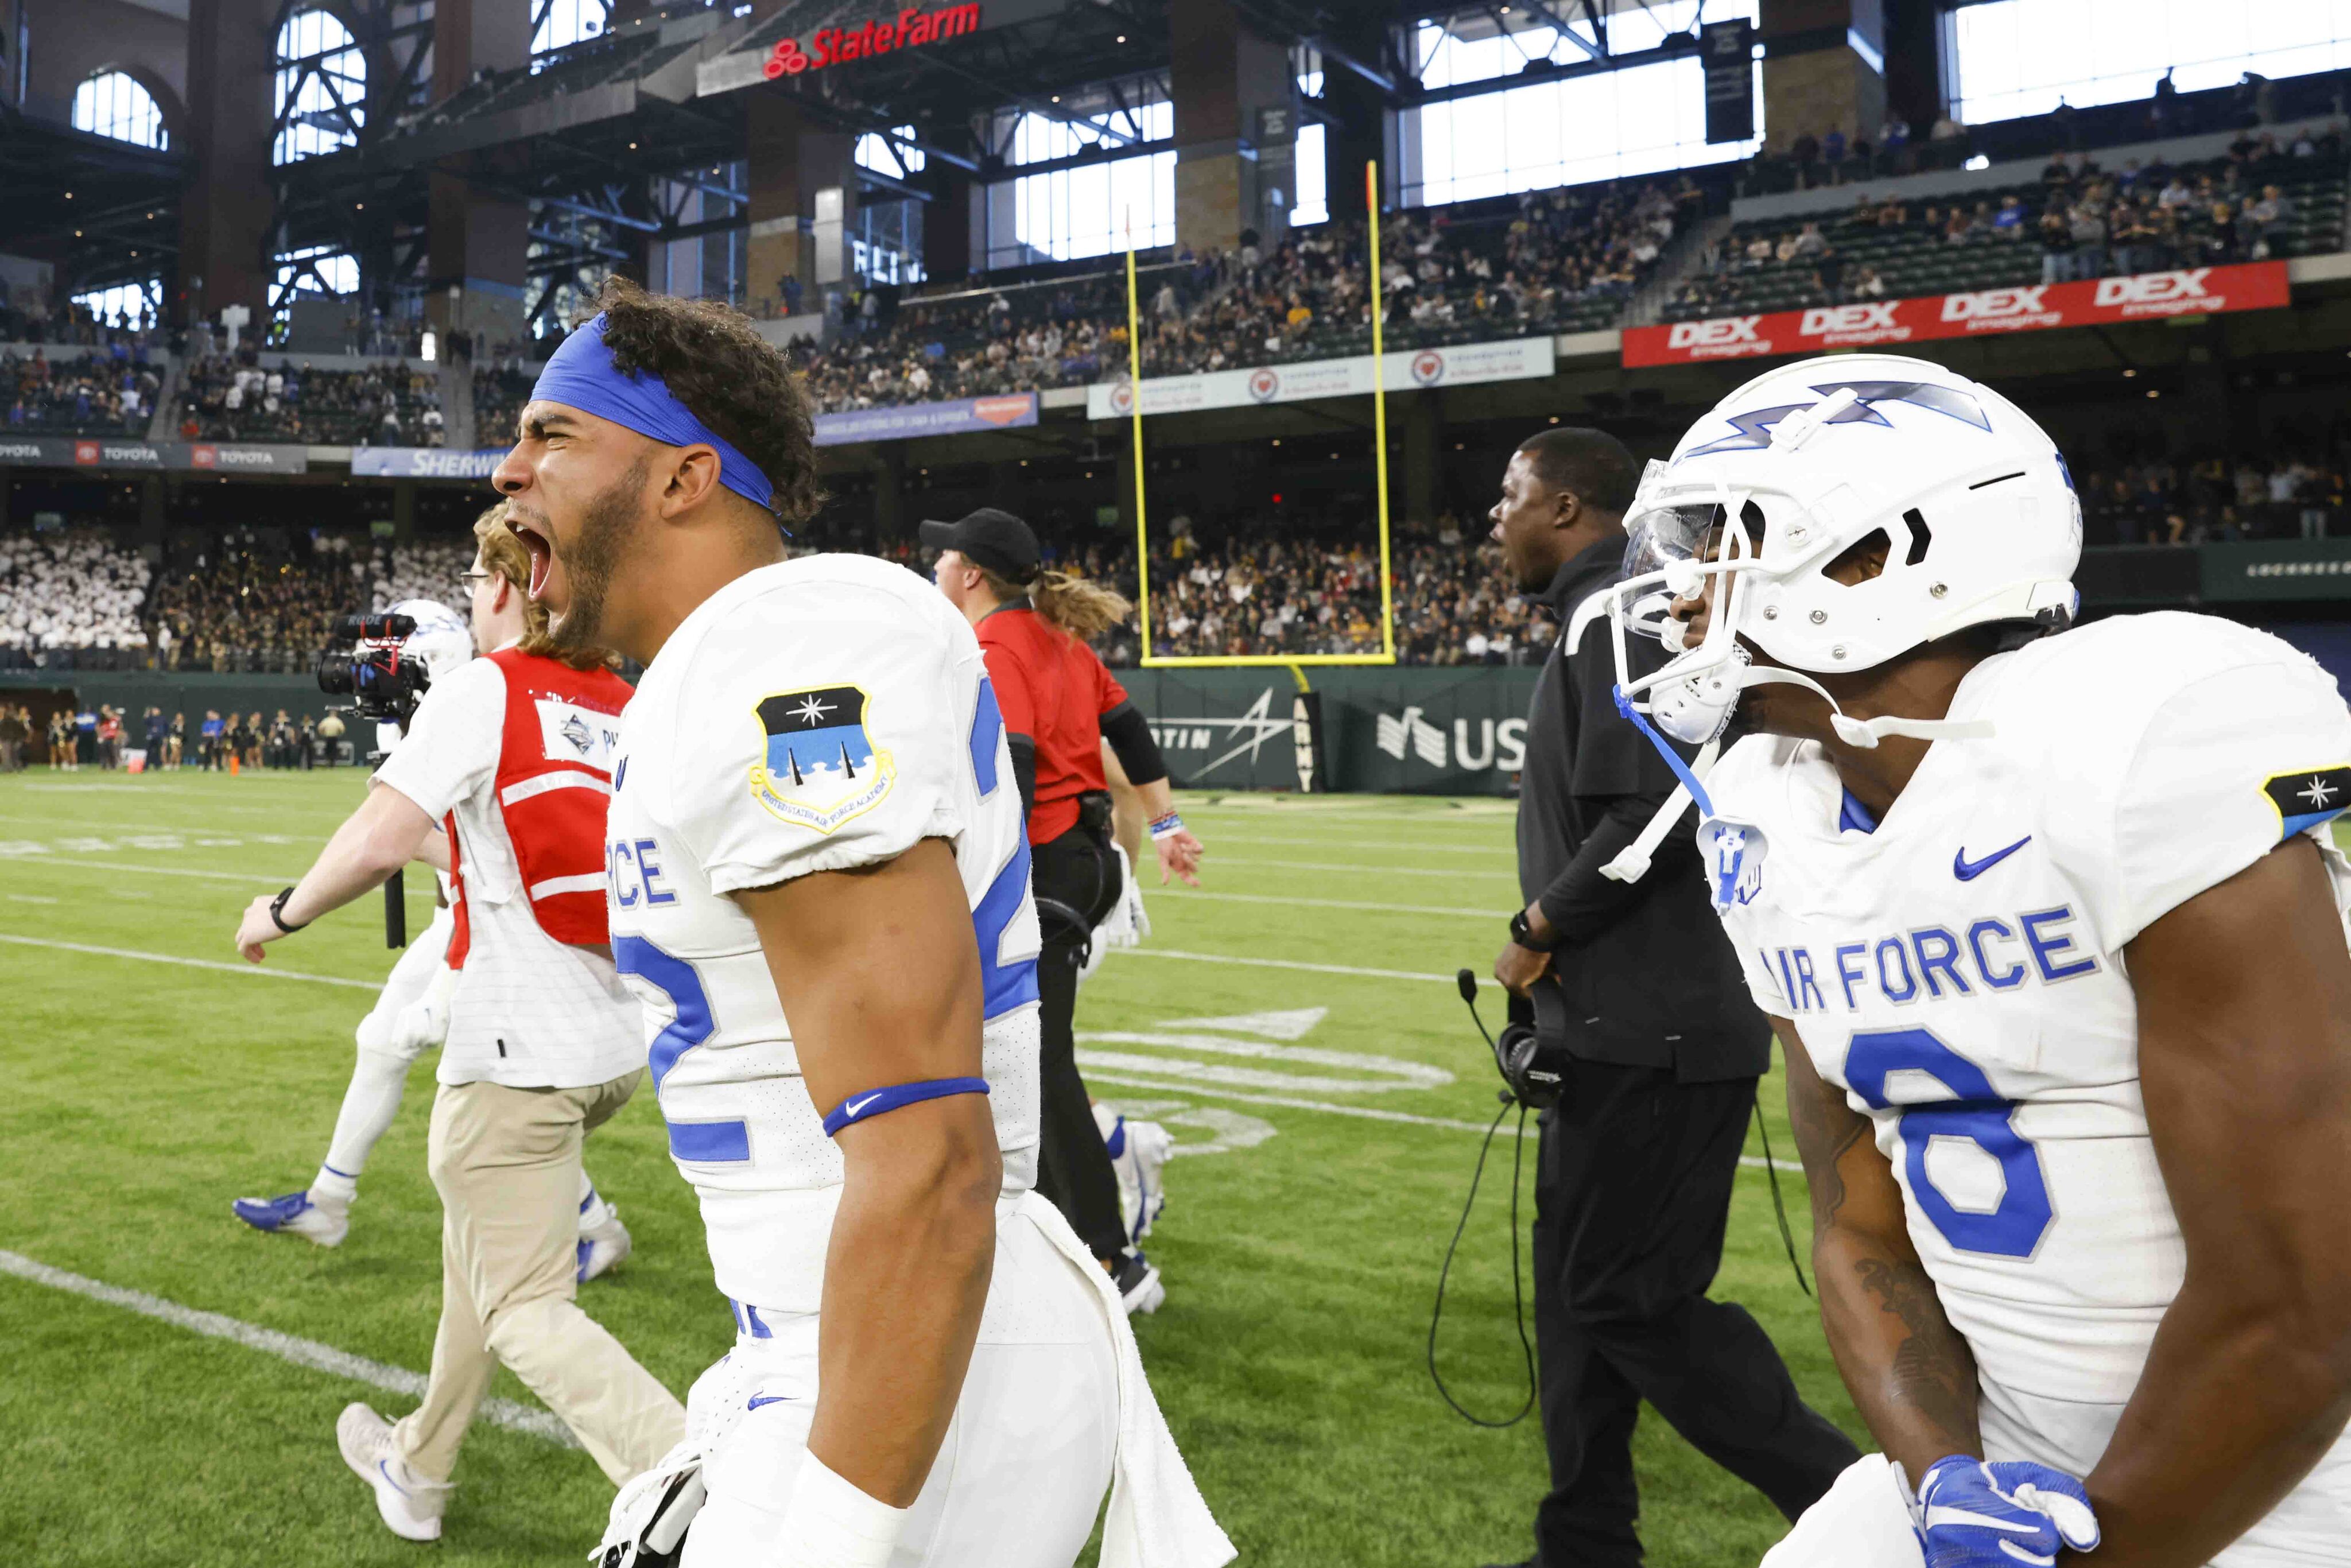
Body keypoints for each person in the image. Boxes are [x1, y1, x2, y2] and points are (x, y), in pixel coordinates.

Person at [494, 280, 1228, 1568]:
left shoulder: (783, 655)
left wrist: (832, 1537)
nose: (508, 468)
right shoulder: (741, 657)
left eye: (553, 432)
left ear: (681, 478)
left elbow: (927, 1160)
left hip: (926, 1361)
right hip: (860, 1339)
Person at [1604, 355, 2351, 1567]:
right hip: (2003, 1482)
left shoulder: (2131, 739)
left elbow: (2304, 1305)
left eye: (1722, 536)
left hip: (2282, 1500)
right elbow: (1858, 1227)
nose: (1678, 589)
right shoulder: (1760, 808)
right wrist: (1946, 1475)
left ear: (1872, 555)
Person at [231, 507, 684, 1543]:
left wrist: (284, 910)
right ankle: (418, 1467)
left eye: (479, 581)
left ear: (509, 588)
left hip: (520, 1048)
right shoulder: (624, 701)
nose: (470, 601)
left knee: (524, 1303)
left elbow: (384, 834)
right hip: (614, 1043)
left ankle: (689, 1472)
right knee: (477, 1258)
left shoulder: (491, 687)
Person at [1483, 425, 1859, 1568]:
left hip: (1649, 1029)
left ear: (1562, 507)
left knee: (1624, 1299)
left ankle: (1857, 1496)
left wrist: (1536, 926)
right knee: (1576, 1298)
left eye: (1510, 492)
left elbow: (1649, 814)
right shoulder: (1621, 613)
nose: (1494, 516)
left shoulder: (1620, 614)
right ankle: (1583, 1543)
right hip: (1630, 1024)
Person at [232, 589, 634, 1286]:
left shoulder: (480, 703)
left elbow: (477, 857)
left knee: (496, 1106)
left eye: (384, 663)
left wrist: (294, 905)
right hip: (465, 916)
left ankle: (591, 1228)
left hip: (496, 928)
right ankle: (330, 1198)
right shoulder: (472, 701)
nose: (369, 678)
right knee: (381, 1040)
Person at [924, 506, 1203, 1313]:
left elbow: (1008, 763)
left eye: (945, 557)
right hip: (1086, 861)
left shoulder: (998, 644)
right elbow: (1130, 726)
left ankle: (1107, 1254)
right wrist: (1168, 820)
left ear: (971, 572)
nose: (937, 568)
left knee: (1032, 1062)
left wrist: (972, 872)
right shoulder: (1058, 640)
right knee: (1021, 1057)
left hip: (1044, 863)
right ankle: (1070, 1232)